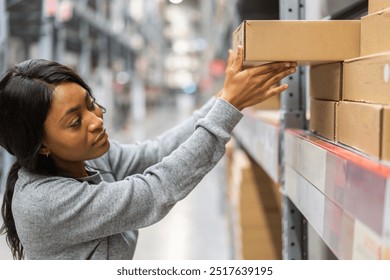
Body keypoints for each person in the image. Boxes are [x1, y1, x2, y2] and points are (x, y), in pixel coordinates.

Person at [0, 46, 296, 260]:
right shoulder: (43, 202)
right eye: (76, 121)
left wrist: (225, 99)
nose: (96, 120)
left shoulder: (85, 158)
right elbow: (155, 191)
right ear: (41, 146)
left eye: (91, 103)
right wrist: (228, 108)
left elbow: (157, 151)